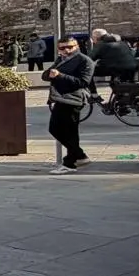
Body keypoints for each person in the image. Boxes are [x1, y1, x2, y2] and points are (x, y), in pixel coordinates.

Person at [43, 36, 95, 173]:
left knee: (68, 131)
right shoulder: (61, 59)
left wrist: (60, 75)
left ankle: (73, 160)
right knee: (56, 129)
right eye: (62, 48)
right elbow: (46, 75)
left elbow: (83, 82)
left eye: (70, 47)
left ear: (76, 46)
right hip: (60, 98)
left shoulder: (84, 61)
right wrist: (50, 74)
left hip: (73, 99)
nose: (66, 50)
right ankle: (76, 157)